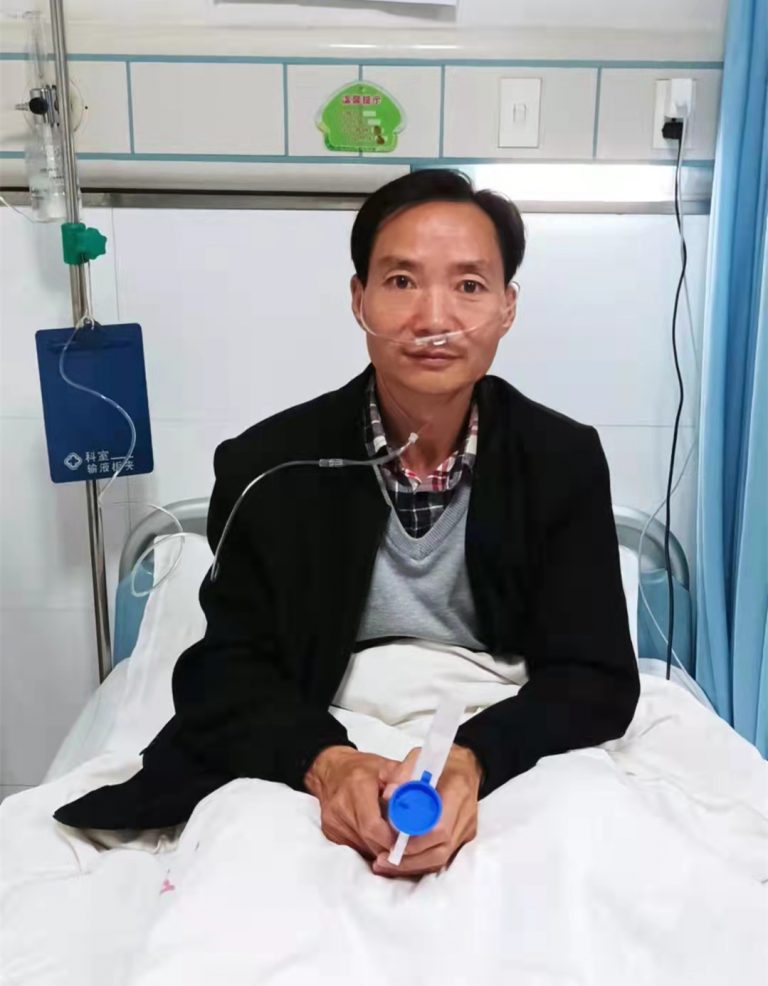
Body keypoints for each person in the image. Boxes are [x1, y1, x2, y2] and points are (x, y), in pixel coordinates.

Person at [54, 169, 640, 877]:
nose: (434, 317)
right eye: (401, 281)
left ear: (507, 307)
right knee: (251, 863)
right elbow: (227, 669)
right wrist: (328, 765)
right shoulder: (270, 464)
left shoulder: (560, 460)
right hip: (316, 727)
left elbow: (596, 677)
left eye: (469, 285)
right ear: (359, 299)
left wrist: (472, 759)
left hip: (496, 729)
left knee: (579, 848)